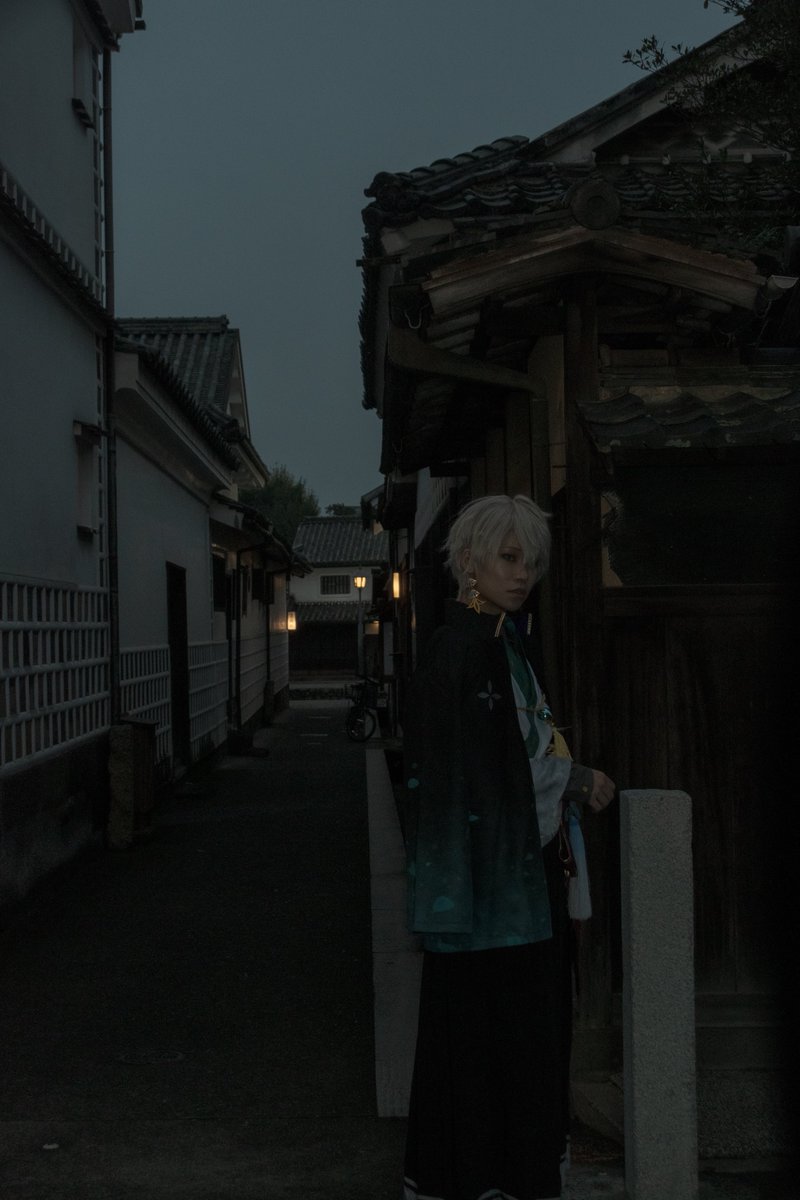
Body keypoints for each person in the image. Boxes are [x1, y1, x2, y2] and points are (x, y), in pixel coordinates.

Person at [402, 493, 615, 1200]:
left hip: (509, 877)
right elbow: (497, 767)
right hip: (490, 886)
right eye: (508, 557)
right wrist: (574, 779)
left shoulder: (502, 641)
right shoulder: (463, 648)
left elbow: (524, 748)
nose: (523, 574)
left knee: (508, 1033)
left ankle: (497, 1175)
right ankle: (488, 1178)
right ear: (469, 561)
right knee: (492, 1034)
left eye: (531, 561)